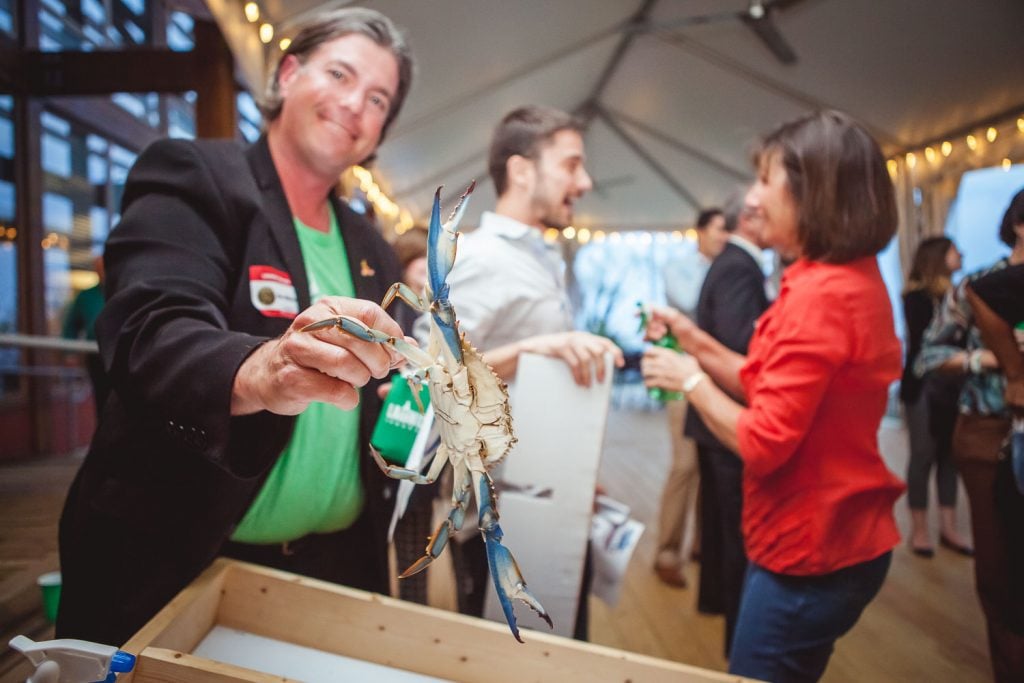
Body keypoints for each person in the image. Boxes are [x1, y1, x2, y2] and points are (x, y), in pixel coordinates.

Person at [57, 7, 414, 646]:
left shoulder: (370, 243)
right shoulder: (197, 176)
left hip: (335, 565)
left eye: (378, 98)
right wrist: (262, 369)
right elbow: (149, 332)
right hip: (187, 561)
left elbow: (401, 368)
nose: (354, 104)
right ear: (289, 72)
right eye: (339, 73)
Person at [642, 110, 904, 682]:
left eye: (766, 179)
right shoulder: (832, 277)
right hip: (833, 538)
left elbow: (762, 442)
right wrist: (694, 341)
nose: (753, 199)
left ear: (815, 193)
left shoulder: (822, 297)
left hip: (810, 549)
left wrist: (688, 380)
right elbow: (767, 376)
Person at [414, 105, 623, 638]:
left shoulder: (545, 257)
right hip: (500, 516)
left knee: (556, 651)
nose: (586, 181)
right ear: (522, 170)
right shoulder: (481, 256)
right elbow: (426, 372)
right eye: (572, 165)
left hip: (548, 494)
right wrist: (535, 347)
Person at [918, 188, 1024, 682]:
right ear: (1019, 225)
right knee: (1001, 568)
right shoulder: (978, 286)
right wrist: (993, 360)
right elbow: (929, 357)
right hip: (990, 433)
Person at [682, 188, 770, 653]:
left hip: (711, 416)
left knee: (720, 529)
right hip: (726, 417)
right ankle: (740, 639)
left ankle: (721, 612)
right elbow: (740, 349)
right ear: (750, 220)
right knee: (736, 533)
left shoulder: (729, 262)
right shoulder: (740, 266)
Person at [653, 207, 727, 589]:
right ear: (699, 232)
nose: (723, 237)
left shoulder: (729, 269)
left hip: (718, 378)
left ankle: (702, 543)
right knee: (685, 465)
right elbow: (693, 303)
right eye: (718, 230)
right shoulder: (679, 268)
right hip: (681, 376)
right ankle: (666, 551)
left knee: (712, 465)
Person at [899, 236, 970, 557]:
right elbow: (924, 346)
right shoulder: (917, 298)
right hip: (924, 388)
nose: (961, 255)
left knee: (949, 457)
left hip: (953, 387)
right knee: (922, 455)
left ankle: (949, 529)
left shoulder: (960, 298)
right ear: (939, 258)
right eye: (955, 251)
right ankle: (920, 532)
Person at [61, 254, 110, 411]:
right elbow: (71, 326)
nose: (102, 272)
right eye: (99, 269)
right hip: (96, 356)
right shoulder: (86, 296)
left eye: (105, 268)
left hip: (122, 354)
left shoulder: (125, 292)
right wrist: (70, 352)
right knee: (102, 399)